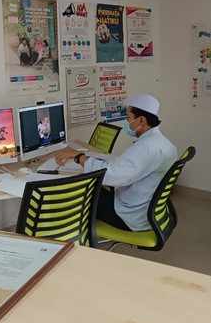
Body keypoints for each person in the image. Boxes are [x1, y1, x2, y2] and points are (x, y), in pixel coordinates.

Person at [54, 94, 177, 232]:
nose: (126, 122)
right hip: (146, 208)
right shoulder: (164, 144)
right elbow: (128, 168)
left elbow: (111, 176)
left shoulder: (146, 148)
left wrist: (78, 156)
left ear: (141, 120)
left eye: (128, 118)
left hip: (130, 216)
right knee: (93, 189)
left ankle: (72, 237)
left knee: (77, 194)